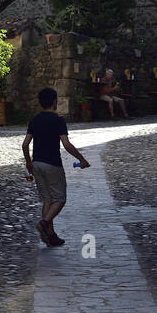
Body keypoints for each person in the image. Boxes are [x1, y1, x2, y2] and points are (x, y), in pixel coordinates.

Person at [22, 87, 90, 247]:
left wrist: (28, 162)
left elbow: (25, 144)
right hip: (52, 164)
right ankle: (44, 223)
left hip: (37, 163)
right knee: (60, 199)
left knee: (47, 200)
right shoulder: (58, 120)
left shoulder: (35, 120)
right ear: (54, 101)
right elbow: (66, 144)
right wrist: (82, 159)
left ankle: (50, 235)